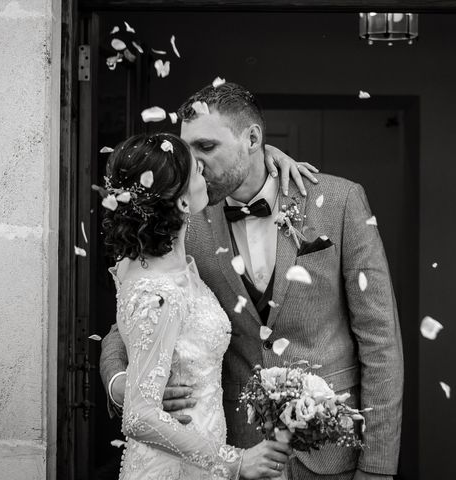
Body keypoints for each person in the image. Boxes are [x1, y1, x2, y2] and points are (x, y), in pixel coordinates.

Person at [101, 82, 404, 480]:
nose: (196, 165)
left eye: (207, 148)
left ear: (253, 138)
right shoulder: (182, 221)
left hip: (333, 454)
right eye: (188, 152)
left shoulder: (339, 202)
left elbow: (380, 340)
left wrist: (378, 469)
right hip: (229, 449)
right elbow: (127, 323)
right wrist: (120, 383)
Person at [101, 132, 293, 479]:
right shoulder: (158, 291)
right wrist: (235, 462)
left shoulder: (153, 265)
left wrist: (268, 155)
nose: (204, 170)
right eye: (196, 171)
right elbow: (139, 415)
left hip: (198, 455)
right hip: (175, 467)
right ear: (183, 204)